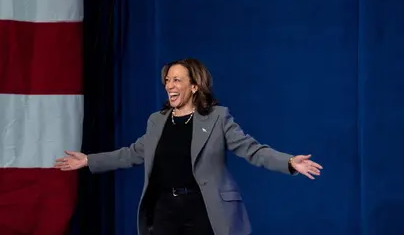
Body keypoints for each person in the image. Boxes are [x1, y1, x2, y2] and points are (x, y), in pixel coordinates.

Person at [55, 58, 322, 235]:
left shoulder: (217, 118)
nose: (170, 85)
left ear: (194, 86)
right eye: (167, 80)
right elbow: (132, 154)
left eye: (177, 80)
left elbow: (251, 149)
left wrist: (289, 162)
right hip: (164, 210)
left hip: (203, 208)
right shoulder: (157, 121)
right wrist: (89, 160)